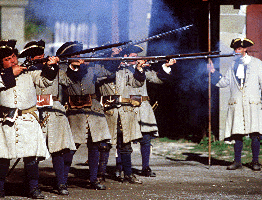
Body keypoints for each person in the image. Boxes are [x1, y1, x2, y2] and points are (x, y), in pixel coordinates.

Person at [0, 39, 59, 199]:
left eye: (12, 56)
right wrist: (12, 72)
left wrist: (51, 66)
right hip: (6, 120)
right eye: (7, 59)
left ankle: (33, 188)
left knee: (31, 157)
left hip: (28, 120)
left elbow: (45, 80)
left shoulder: (29, 72)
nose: (12, 60)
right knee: (3, 157)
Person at [18, 40, 76, 195]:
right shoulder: (24, 71)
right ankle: (31, 184)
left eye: (41, 54)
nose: (41, 56)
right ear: (30, 57)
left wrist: (72, 67)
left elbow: (67, 81)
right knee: (32, 152)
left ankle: (61, 183)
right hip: (33, 113)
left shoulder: (54, 68)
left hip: (54, 111)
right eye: (36, 55)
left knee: (58, 151)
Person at [207, 38, 262, 171]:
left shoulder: (257, 63)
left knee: (255, 134)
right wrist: (213, 72)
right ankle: (237, 161)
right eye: (235, 49)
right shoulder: (232, 65)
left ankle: (255, 162)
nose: (236, 51)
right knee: (237, 134)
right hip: (237, 104)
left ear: (245, 49)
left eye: (239, 49)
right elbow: (223, 83)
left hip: (253, 103)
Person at [113, 45, 176, 178]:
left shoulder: (143, 70)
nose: (136, 59)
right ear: (125, 57)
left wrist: (166, 66)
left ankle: (145, 167)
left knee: (146, 139)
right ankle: (119, 167)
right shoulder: (118, 69)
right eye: (133, 56)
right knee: (123, 139)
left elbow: (158, 79)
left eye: (137, 56)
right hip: (126, 107)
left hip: (143, 107)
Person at [57, 41, 112, 190]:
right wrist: (75, 66)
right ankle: (62, 181)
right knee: (71, 148)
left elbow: (109, 72)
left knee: (94, 146)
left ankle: (93, 179)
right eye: (74, 55)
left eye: (79, 54)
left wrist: (112, 57)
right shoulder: (62, 69)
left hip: (93, 110)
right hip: (75, 112)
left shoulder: (90, 67)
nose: (78, 57)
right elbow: (66, 80)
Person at [97, 47, 147, 184]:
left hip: (125, 113)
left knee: (126, 145)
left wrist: (139, 70)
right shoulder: (101, 69)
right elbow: (102, 77)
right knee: (105, 145)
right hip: (109, 112)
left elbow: (137, 83)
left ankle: (128, 174)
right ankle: (100, 174)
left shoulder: (126, 71)